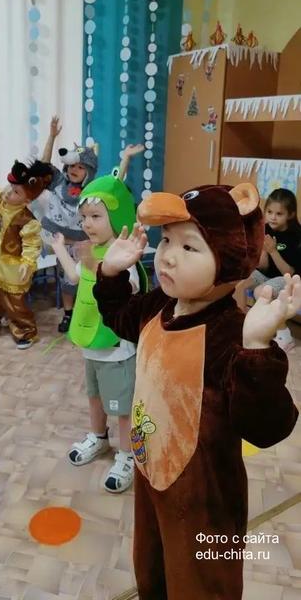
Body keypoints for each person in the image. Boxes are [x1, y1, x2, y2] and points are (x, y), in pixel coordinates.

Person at [93, 182, 299, 599]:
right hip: (151, 472)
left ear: (230, 260)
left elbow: (267, 427)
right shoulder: (159, 306)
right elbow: (119, 316)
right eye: (168, 240)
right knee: (152, 570)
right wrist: (111, 274)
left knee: (203, 584)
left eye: (189, 247)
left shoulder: (231, 334)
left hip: (206, 498)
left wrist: (257, 346)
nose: (168, 255)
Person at [50, 173, 146, 493]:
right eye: (84, 217)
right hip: (92, 345)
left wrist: (110, 267)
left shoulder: (123, 255)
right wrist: (60, 249)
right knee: (95, 398)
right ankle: (99, 438)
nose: (87, 224)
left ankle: (127, 455)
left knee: (122, 408)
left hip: (117, 349)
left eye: (95, 216)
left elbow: (131, 289)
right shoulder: (93, 251)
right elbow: (75, 278)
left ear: (116, 217)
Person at [40, 115, 143, 333]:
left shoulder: (93, 192)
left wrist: (125, 158)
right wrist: (51, 136)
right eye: (71, 166)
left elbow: (114, 185)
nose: (73, 170)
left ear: (89, 170)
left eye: (79, 167)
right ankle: (69, 314)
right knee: (68, 281)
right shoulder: (58, 182)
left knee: (85, 282)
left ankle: (93, 312)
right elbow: (43, 167)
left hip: (85, 243)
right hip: (66, 242)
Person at [0, 157, 53, 349]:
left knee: (15, 303)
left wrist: (27, 262)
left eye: (16, 192)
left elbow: (32, 244)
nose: (9, 192)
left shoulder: (27, 221)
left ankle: (25, 331)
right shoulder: (2, 199)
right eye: (10, 186)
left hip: (14, 266)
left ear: (27, 200)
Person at [234, 188, 301, 351]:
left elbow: (289, 273)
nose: (273, 217)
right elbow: (263, 266)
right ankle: (242, 325)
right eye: (269, 212)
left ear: (291, 214)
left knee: (261, 292)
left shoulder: (296, 236)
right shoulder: (265, 228)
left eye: (279, 214)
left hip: (288, 280)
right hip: (268, 276)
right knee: (240, 283)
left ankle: (284, 335)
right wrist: (261, 250)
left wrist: (273, 251)